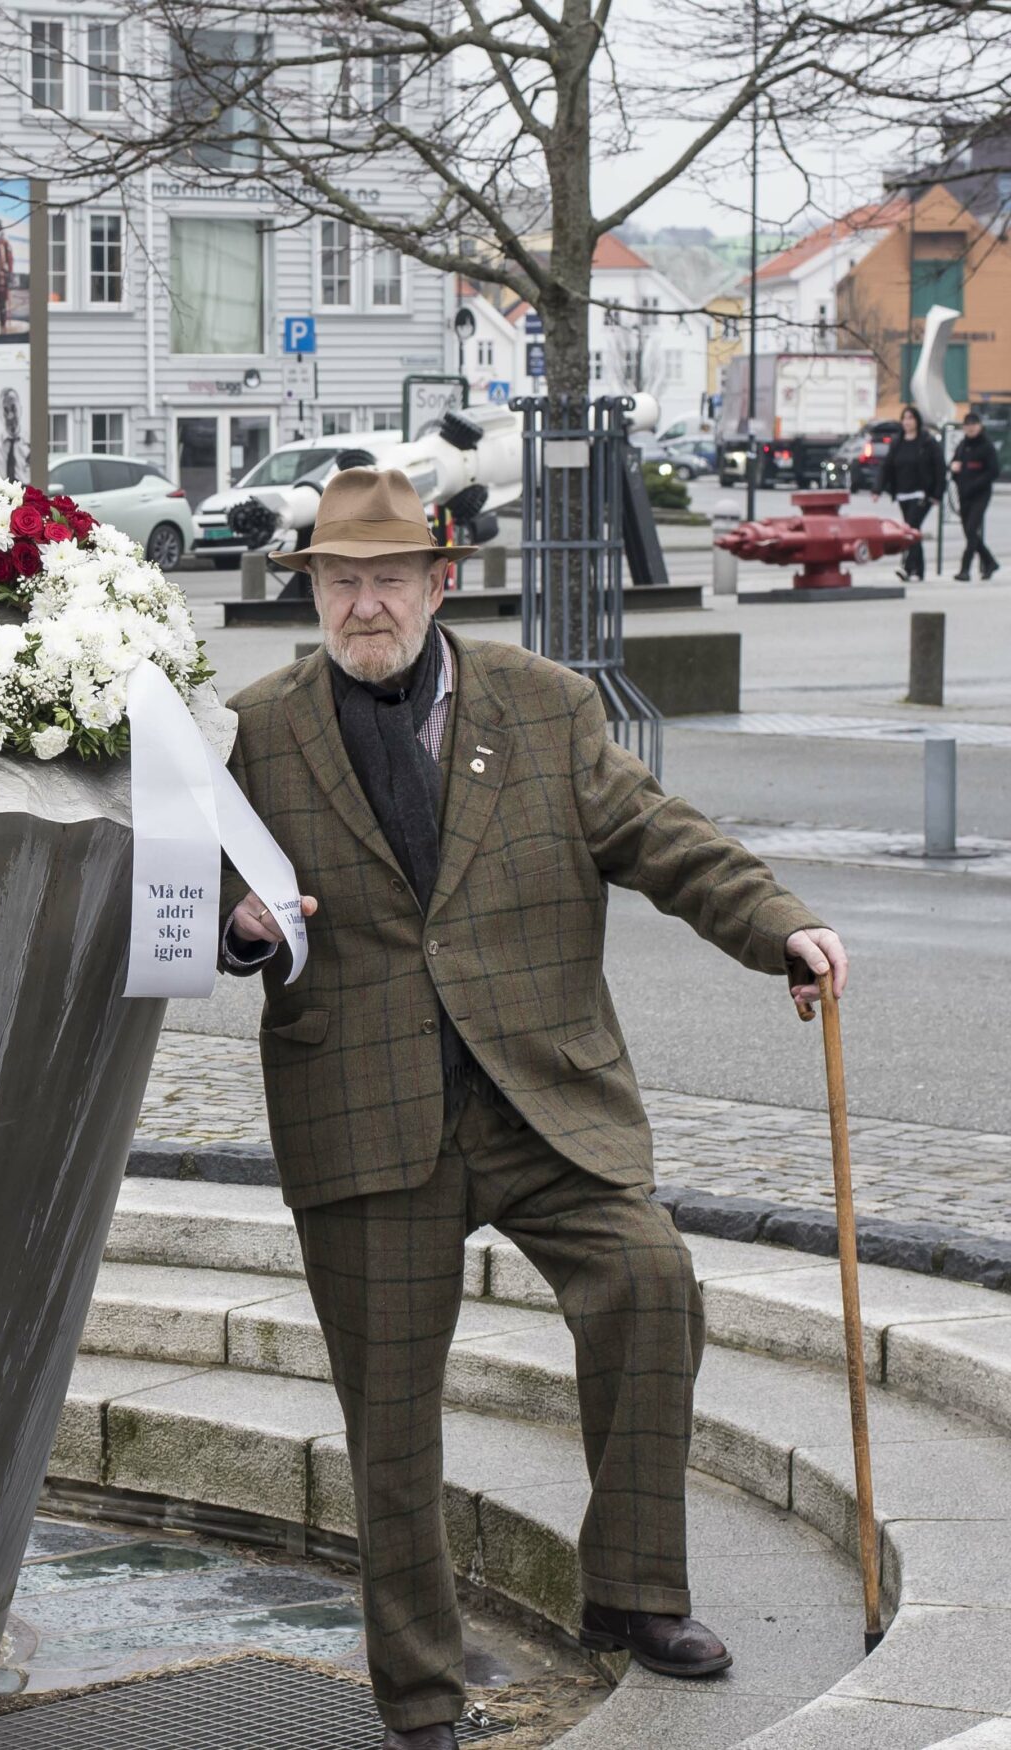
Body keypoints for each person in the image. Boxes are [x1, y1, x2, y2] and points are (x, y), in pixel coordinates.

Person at [218, 469, 850, 1750]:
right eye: (338, 581)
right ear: (313, 594)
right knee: (388, 1420)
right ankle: (419, 1699)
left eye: (386, 577)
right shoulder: (253, 731)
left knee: (649, 1281)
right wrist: (232, 930)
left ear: (441, 581)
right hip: (366, 1108)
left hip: (538, 1095)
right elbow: (179, 897)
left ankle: (632, 1587)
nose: (362, 603)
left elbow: (663, 836)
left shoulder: (545, 707)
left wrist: (782, 925)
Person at [878, 404, 946, 580]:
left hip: (922, 494)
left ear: (917, 421)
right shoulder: (897, 442)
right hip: (903, 493)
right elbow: (887, 467)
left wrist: (938, 493)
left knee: (910, 529)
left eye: (910, 418)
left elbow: (939, 467)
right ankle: (919, 570)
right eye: (904, 418)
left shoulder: (927, 442)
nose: (907, 422)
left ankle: (907, 567)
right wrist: (878, 488)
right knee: (913, 529)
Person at [951, 411, 999, 581]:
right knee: (969, 533)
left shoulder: (986, 446)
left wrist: (976, 484)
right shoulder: (963, 446)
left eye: (974, 424)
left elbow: (993, 470)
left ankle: (965, 569)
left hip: (980, 494)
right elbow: (955, 465)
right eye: (967, 425)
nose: (971, 428)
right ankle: (990, 561)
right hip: (964, 494)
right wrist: (954, 471)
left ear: (980, 426)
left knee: (972, 529)